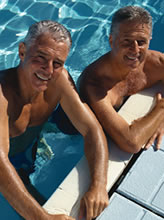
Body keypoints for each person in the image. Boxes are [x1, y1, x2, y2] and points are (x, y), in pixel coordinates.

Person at [0, 20, 109, 220]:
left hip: (29, 144)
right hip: (9, 160)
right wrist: (44, 218)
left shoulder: (59, 80)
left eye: (57, 63)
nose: (48, 70)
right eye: (41, 57)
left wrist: (99, 185)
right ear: (22, 51)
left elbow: (92, 129)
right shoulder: (2, 95)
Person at [78, 6, 164, 154]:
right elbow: (131, 143)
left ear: (149, 41)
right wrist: (161, 108)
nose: (135, 50)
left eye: (141, 42)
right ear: (111, 41)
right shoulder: (95, 84)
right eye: (127, 41)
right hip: (69, 131)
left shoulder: (156, 63)